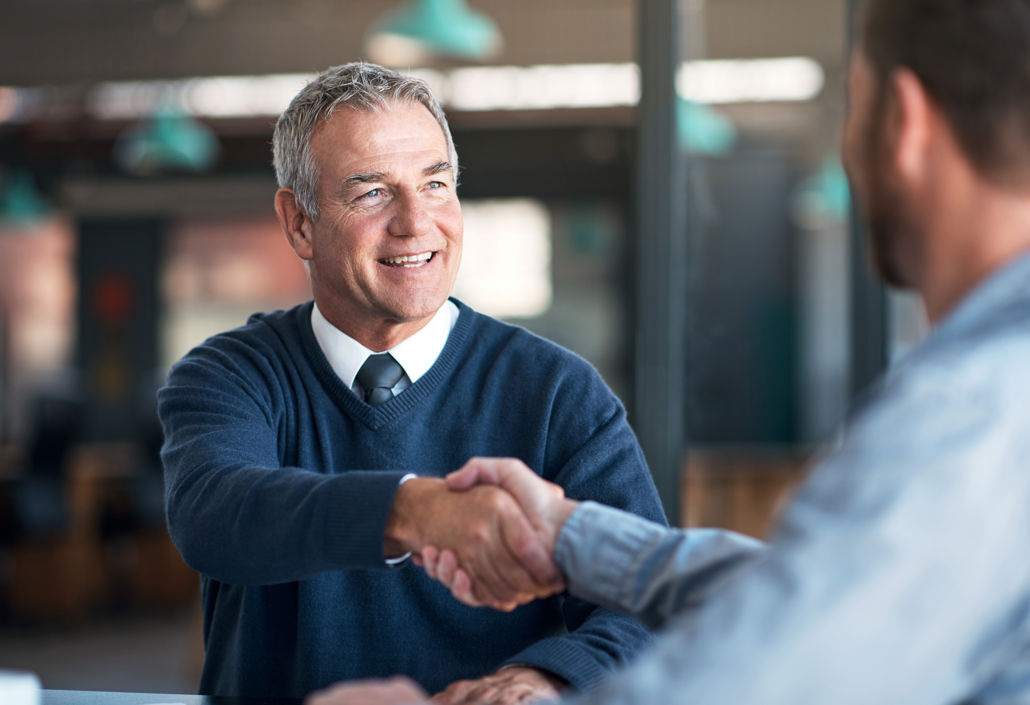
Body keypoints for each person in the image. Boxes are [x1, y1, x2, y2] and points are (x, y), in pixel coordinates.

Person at [304, 0, 1030, 703]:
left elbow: (771, 673)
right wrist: (572, 536)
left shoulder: (971, 407)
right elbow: (815, 588)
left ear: (902, 122)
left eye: (853, 106)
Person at [157, 61, 669, 704]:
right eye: (372, 192)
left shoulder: (557, 393)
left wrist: (545, 677)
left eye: (434, 184)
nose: (414, 222)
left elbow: (644, 605)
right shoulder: (230, 376)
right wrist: (417, 511)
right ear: (299, 223)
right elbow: (217, 515)